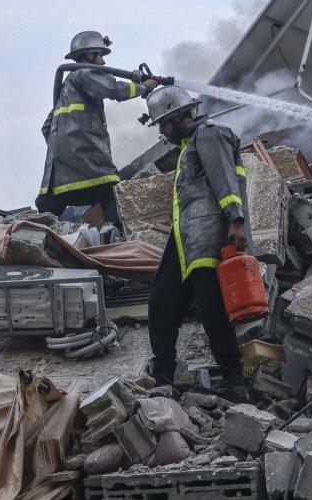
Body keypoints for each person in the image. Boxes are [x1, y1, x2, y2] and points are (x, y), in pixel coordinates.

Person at [144, 86, 252, 403]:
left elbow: (225, 179)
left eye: (164, 123)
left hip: (210, 238)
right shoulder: (189, 145)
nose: (162, 132)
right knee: (161, 300)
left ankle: (234, 381)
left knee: (212, 308)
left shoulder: (209, 134)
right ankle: (162, 375)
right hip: (185, 238)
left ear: (180, 116)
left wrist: (235, 220)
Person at [35, 31, 158, 225]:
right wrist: (144, 87)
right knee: (113, 194)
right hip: (88, 156)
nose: (103, 63)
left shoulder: (66, 89)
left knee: (47, 208)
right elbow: (112, 88)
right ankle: (113, 241)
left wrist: (60, 149)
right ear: (90, 54)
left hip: (59, 168)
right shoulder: (84, 73)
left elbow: (46, 127)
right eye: (100, 55)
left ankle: (25, 236)